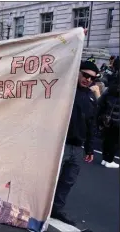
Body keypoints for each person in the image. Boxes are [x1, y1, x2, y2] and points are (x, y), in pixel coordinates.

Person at [51, 61, 99, 226]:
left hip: (78, 147)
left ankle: (56, 209)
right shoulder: (66, 90)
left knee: (67, 180)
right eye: (85, 75)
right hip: (60, 143)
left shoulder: (92, 97)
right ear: (77, 72)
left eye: (92, 78)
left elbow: (91, 125)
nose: (88, 80)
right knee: (51, 178)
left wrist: (90, 149)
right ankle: (40, 207)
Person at [97, 57, 119, 168]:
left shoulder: (112, 86)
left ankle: (105, 159)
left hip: (108, 118)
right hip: (117, 120)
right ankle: (109, 161)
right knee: (115, 141)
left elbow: (101, 101)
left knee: (107, 139)